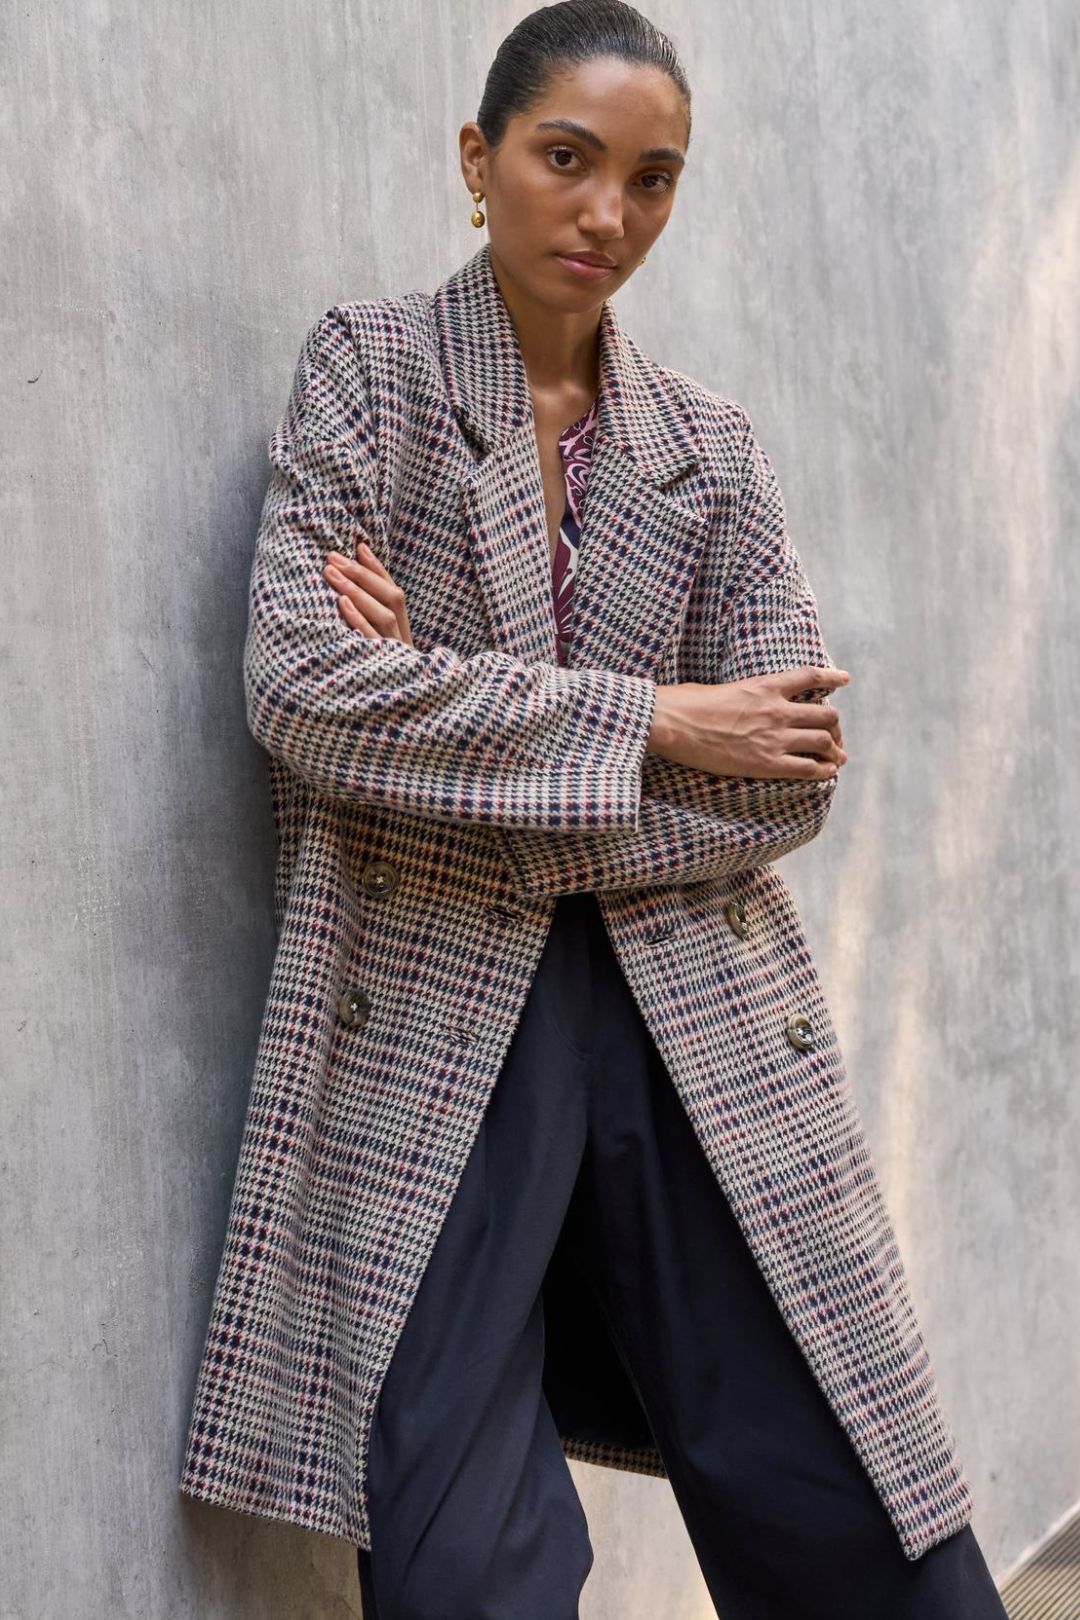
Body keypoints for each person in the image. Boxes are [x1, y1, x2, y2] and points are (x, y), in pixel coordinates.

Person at [179, 4, 1010, 1615]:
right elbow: (301, 689)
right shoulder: (372, 371)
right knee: (450, 1551)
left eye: (652, 177)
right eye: (568, 158)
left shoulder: (712, 448)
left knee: (843, 1484)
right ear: (478, 157)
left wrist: (439, 719)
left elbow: (784, 779)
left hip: (688, 1011)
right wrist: (663, 722)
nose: (607, 212)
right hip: (423, 1011)